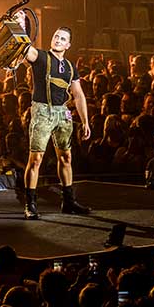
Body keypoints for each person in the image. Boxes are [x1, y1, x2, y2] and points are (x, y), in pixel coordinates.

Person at [17, 17, 91, 219]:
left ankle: (68, 201)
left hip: (62, 113)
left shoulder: (69, 66)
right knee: (36, 159)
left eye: (62, 38)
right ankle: (30, 204)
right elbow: (25, 48)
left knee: (66, 158)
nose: (58, 39)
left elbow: (78, 95)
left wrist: (85, 121)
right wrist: (19, 26)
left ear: (68, 44)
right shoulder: (40, 57)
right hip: (42, 111)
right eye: (56, 36)